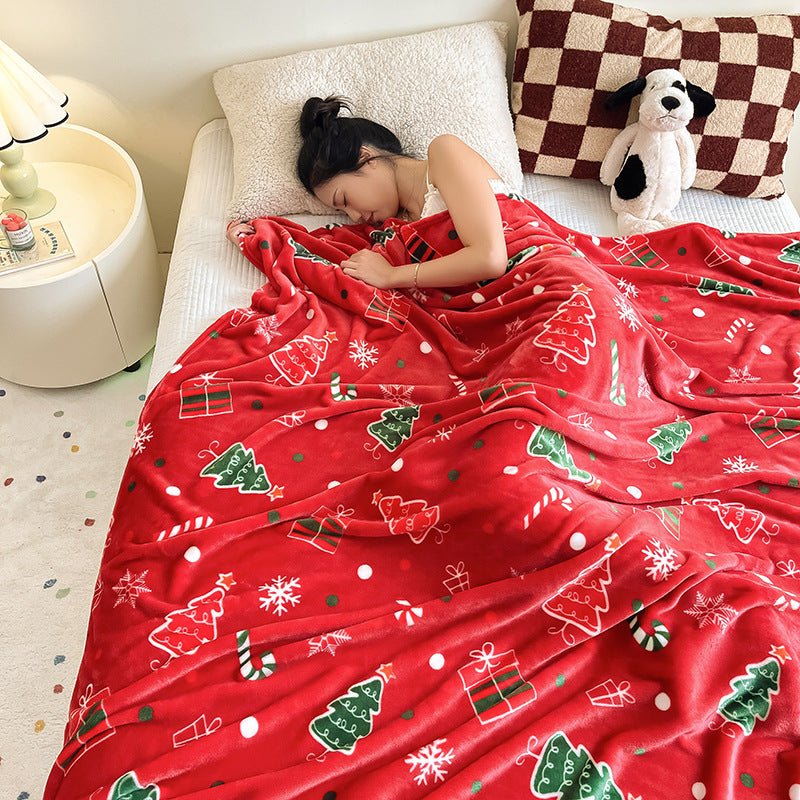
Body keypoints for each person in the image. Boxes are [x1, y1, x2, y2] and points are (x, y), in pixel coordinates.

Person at [227, 96, 510, 290]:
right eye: (341, 211)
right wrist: (256, 239)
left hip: (530, 281)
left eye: (344, 200)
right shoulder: (395, 231)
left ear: (364, 157)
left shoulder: (444, 153)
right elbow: (326, 258)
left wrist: (393, 276)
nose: (353, 216)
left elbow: (490, 257)